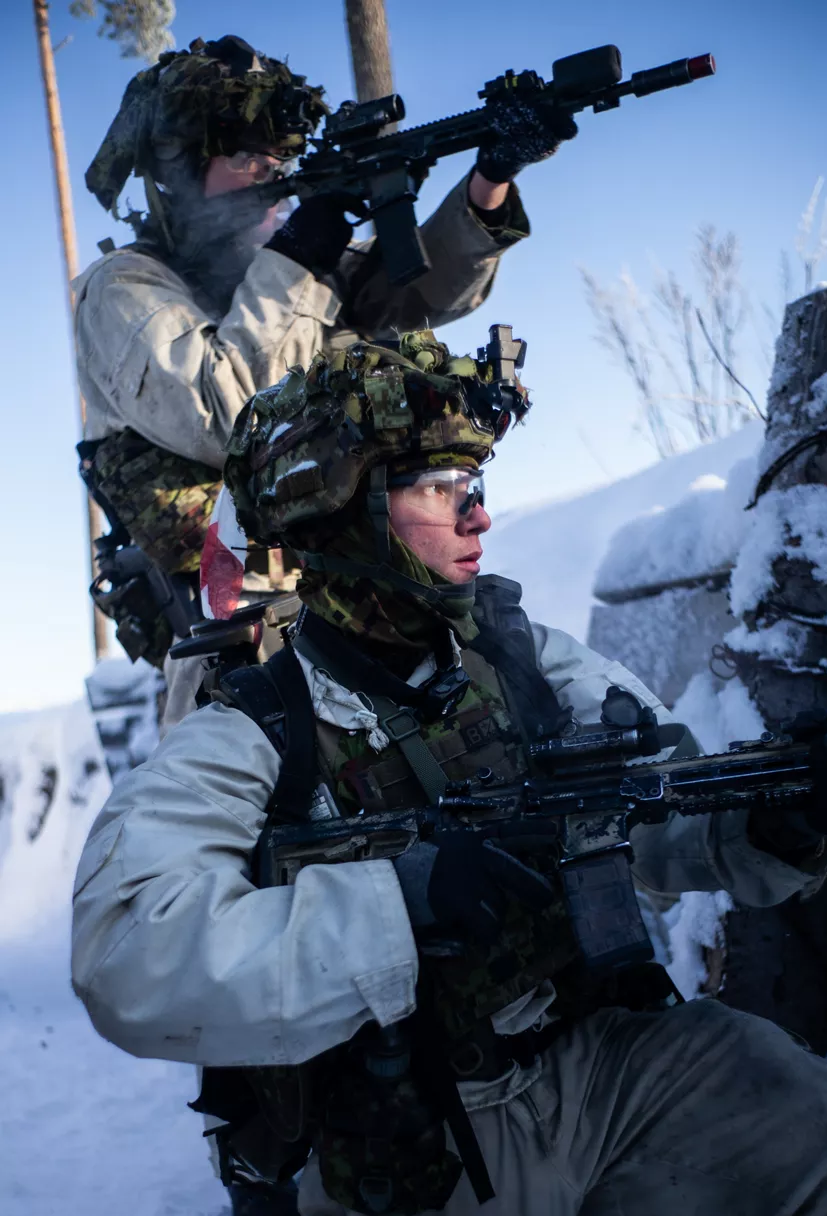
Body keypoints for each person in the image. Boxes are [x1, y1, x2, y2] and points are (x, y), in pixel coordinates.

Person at [71, 331, 827, 1216]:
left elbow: (659, 814)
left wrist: (778, 811)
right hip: (429, 1126)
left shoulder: (522, 658)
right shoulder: (257, 725)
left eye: (473, 483)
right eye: (440, 490)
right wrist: (396, 904)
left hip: (601, 1062)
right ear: (342, 513)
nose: (479, 515)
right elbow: (125, 952)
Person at [73, 33, 573, 729]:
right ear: (179, 170)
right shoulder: (122, 287)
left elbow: (421, 287)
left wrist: (489, 180)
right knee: (257, 767)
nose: (266, 173)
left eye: (277, 158)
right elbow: (231, 412)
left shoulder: (297, 268)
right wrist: (305, 244)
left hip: (352, 581)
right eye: (243, 155)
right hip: (233, 619)